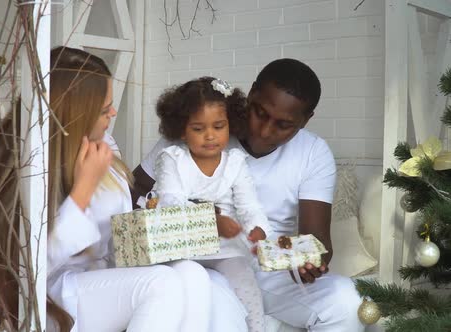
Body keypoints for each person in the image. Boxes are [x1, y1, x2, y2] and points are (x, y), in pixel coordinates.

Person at [0, 46, 215, 332]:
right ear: (76, 112)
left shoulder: (103, 153)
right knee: (161, 285)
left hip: (93, 283)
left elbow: (114, 245)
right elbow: (28, 268)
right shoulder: (15, 162)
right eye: (104, 109)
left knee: (191, 274)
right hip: (39, 297)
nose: (113, 113)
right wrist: (83, 189)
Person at [132, 59, 364, 331]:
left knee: (345, 299)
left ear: (305, 120)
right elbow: (136, 187)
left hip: (270, 266)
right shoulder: (204, 125)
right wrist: (184, 214)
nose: (264, 131)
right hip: (207, 260)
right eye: (260, 113)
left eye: (283, 125)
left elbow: (317, 241)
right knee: (215, 297)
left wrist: (308, 262)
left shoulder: (313, 152)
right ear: (251, 94)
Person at [149, 76, 270, 331]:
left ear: (231, 125)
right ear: (182, 129)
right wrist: (213, 222)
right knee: (185, 290)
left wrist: (257, 230)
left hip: (225, 248)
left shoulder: (235, 162)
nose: (210, 136)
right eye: (198, 128)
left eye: (218, 126)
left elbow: (249, 206)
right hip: (181, 246)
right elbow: (172, 203)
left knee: (249, 289)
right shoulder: (172, 159)